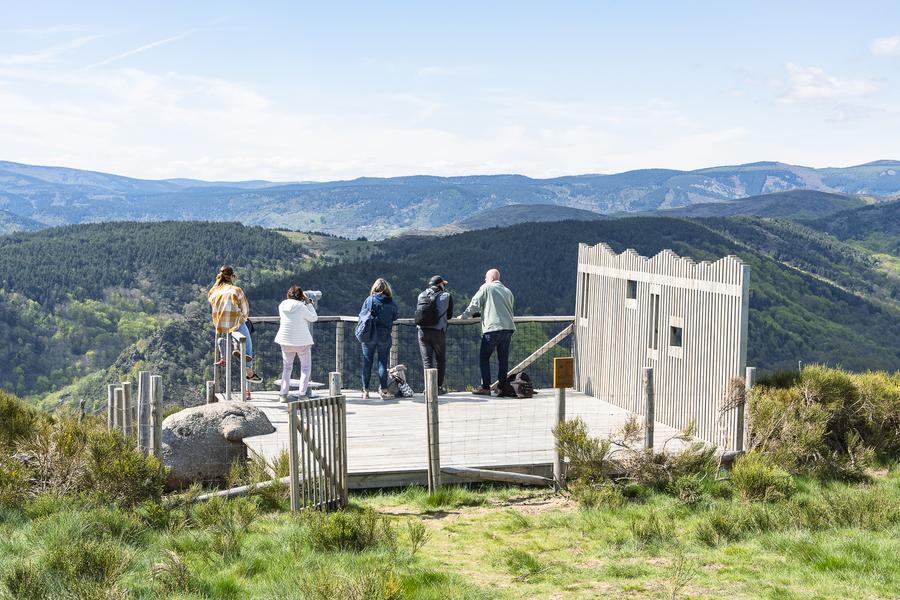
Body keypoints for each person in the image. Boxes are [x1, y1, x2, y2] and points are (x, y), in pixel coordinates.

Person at [458, 268, 516, 396]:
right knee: (503, 359)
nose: (484, 279)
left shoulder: (486, 287)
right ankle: (501, 387)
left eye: (485, 277)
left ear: (491, 278)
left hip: (492, 329)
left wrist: (463, 316)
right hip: (508, 328)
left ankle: (485, 388)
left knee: (484, 358)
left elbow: (474, 304)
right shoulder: (508, 291)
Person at [208, 265, 261, 384]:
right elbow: (245, 310)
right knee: (247, 342)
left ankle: (225, 344)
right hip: (234, 322)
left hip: (220, 325)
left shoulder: (213, 291)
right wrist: (243, 317)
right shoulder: (236, 290)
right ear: (232, 276)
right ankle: (249, 372)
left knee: (232, 334)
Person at [274, 285, 318, 402]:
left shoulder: (282, 305)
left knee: (287, 367)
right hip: (302, 341)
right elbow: (314, 318)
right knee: (305, 368)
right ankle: (302, 394)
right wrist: (308, 303)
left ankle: (283, 394)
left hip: (285, 340)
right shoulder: (302, 306)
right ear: (301, 296)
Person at [360, 278, 399, 399]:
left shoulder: (369, 300)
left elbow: (362, 315)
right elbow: (395, 317)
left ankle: (365, 391)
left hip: (369, 335)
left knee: (367, 363)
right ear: (387, 289)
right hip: (384, 336)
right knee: (382, 363)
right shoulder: (392, 302)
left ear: (375, 288)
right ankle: (384, 391)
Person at [415, 275, 453, 394]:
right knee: (440, 359)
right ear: (440, 285)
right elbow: (450, 315)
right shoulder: (446, 296)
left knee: (427, 360)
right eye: (443, 284)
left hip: (422, 331)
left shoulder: (421, 295)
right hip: (438, 331)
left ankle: (428, 388)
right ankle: (438, 387)